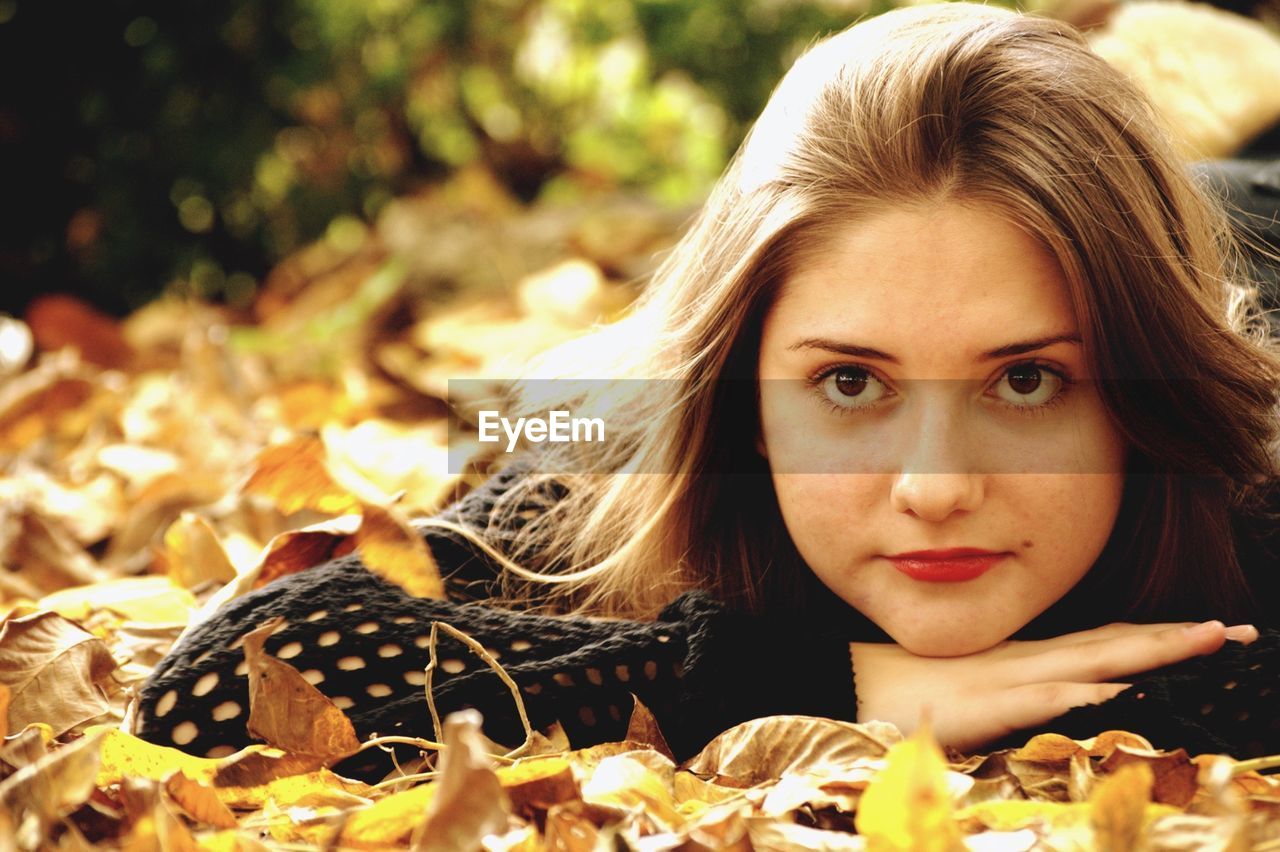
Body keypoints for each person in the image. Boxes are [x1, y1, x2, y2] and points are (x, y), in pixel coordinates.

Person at [136, 3, 1280, 780]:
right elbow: (209, 692)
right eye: (847, 381)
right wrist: (792, 683)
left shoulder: (1233, 458)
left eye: (1025, 379)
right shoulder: (631, 434)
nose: (935, 487)